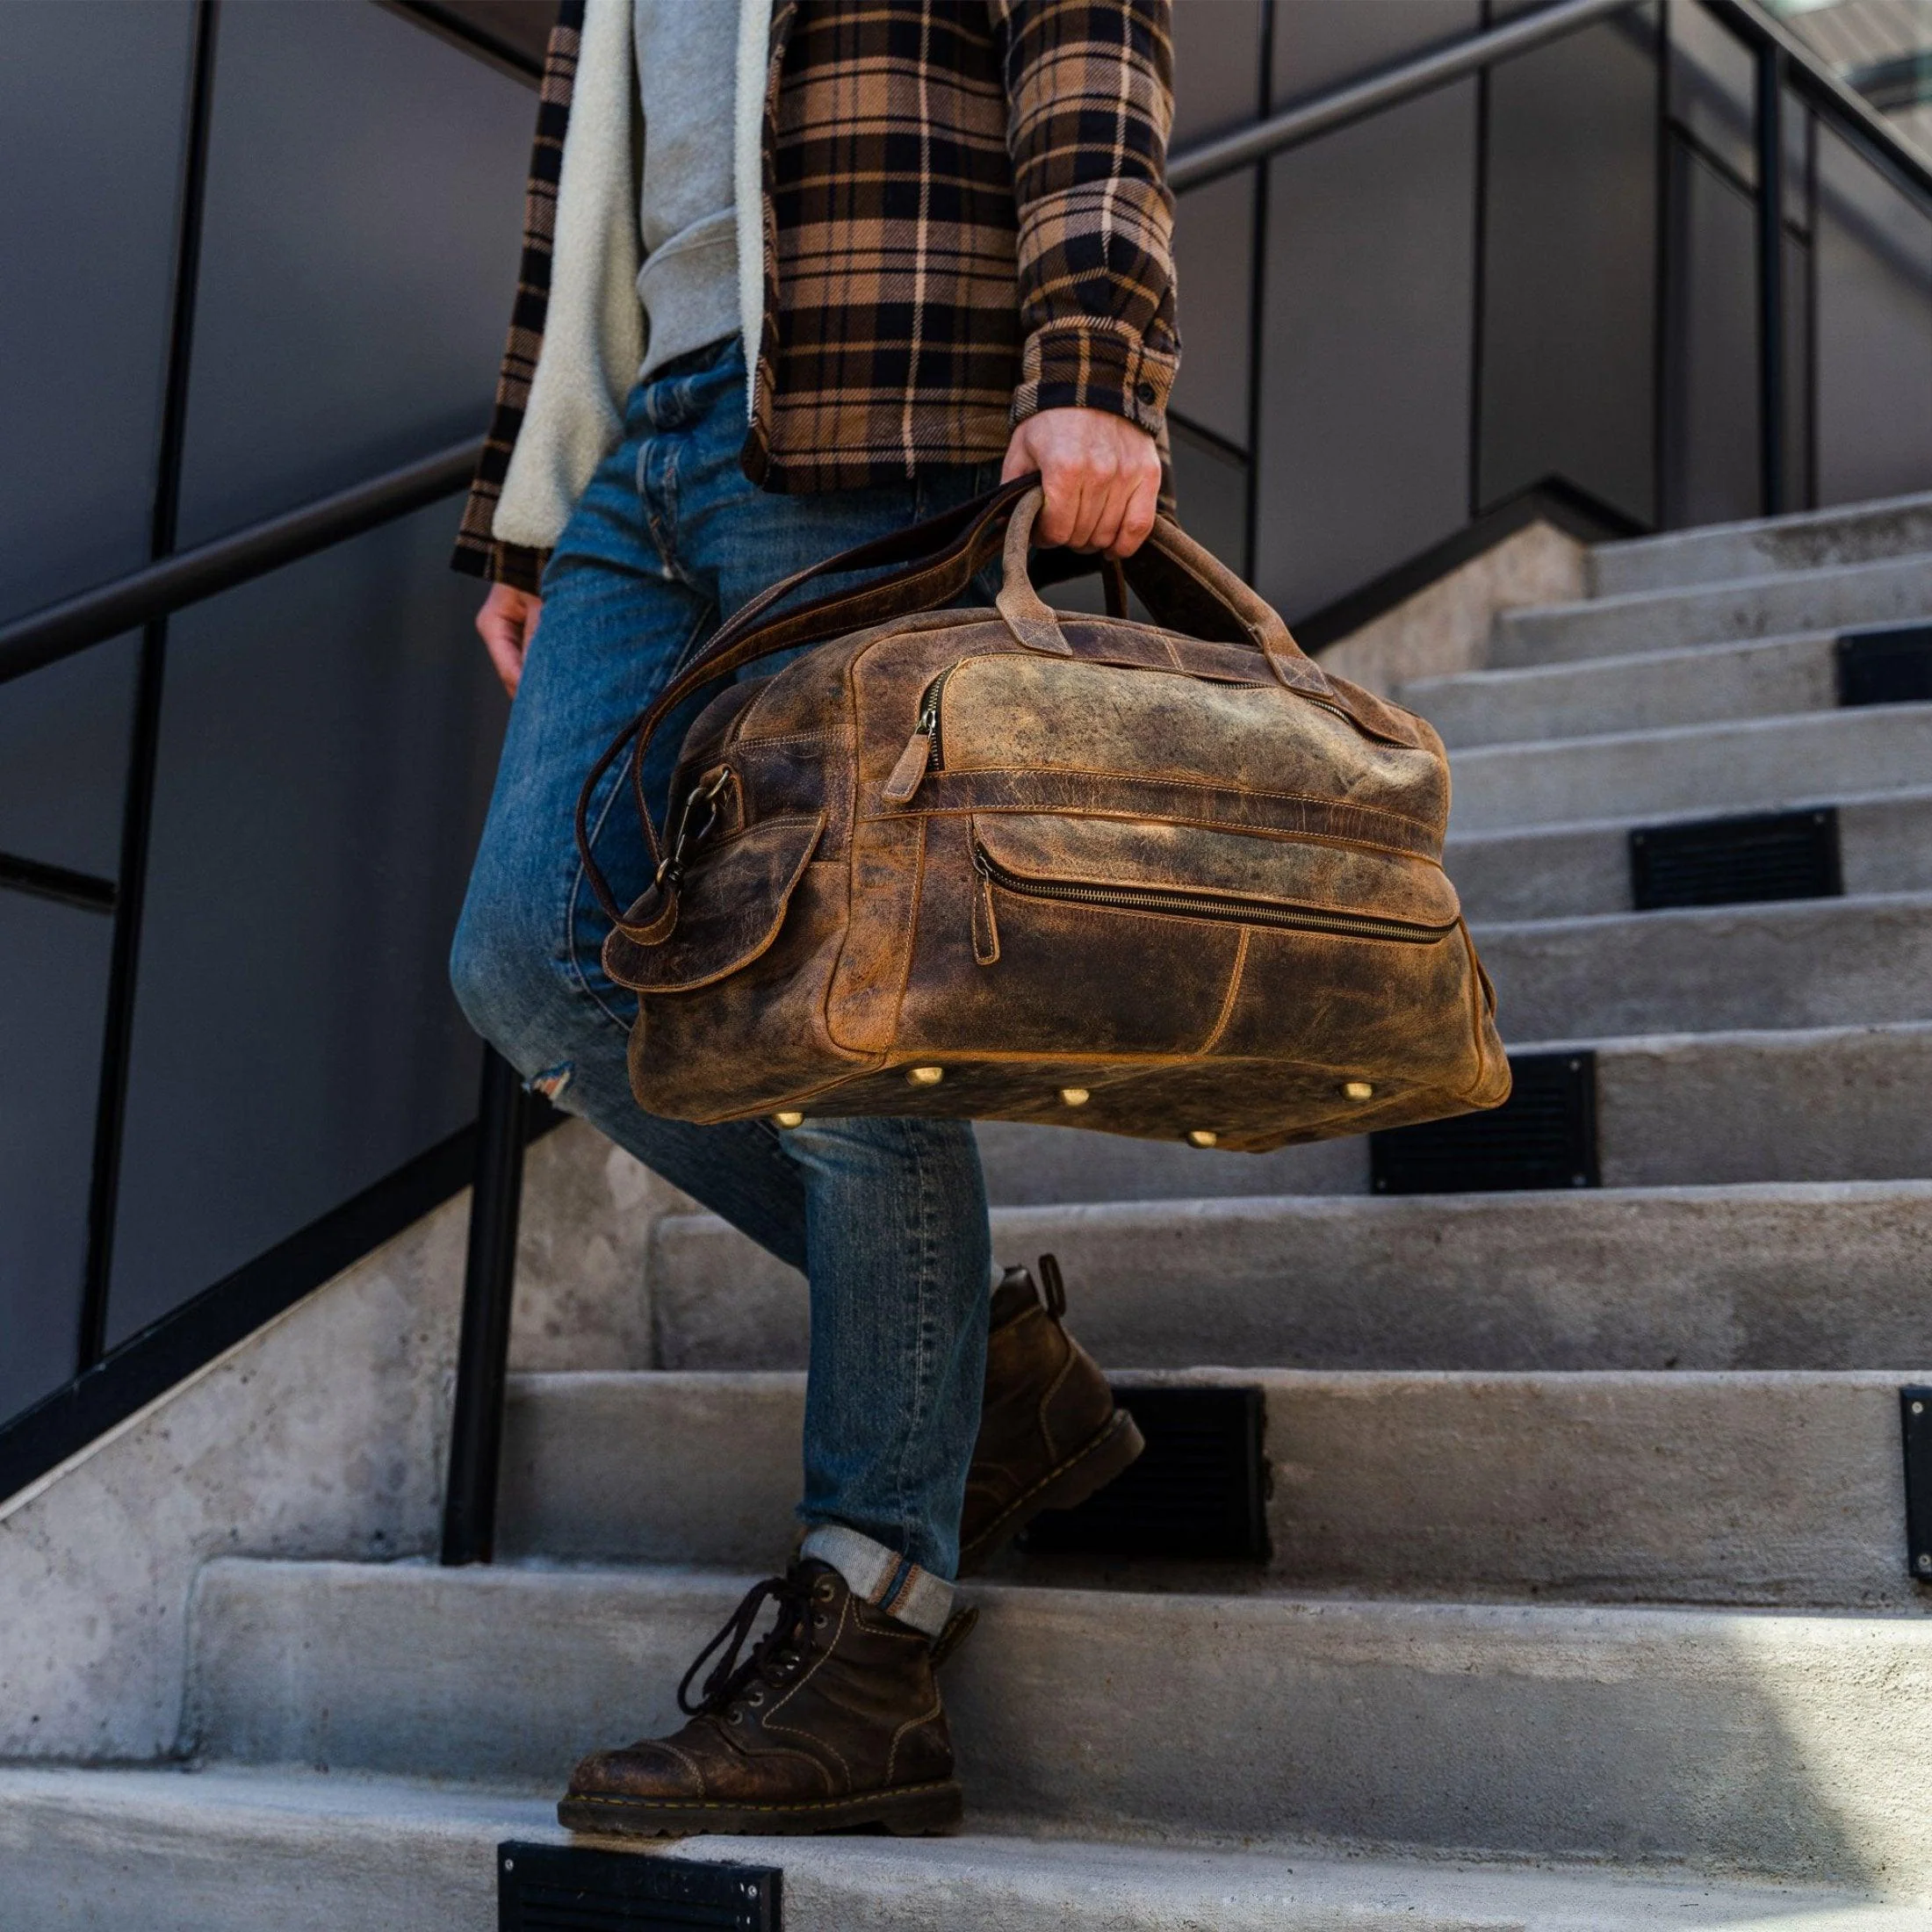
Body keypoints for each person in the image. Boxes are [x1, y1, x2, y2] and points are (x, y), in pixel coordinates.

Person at [449, 0, 1179, 1837]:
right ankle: (984, 1372)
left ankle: (871, 1629)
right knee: (533, 955)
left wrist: (1093, 352)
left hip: (874, 390)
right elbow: (602, 183)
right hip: (648, 440)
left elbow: (1088, 35)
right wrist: (533, 513)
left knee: (847, 1007)